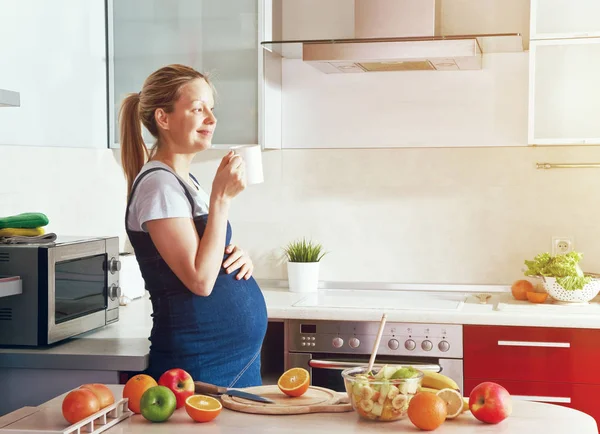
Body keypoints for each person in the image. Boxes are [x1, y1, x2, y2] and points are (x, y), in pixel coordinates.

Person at [119, 64, 267, 388]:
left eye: (211, 110)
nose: (211, 120)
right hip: (199, 369)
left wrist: (235, 259)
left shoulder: (185, 181)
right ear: (164, 118)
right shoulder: (158, 186)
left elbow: (207, 260)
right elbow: (200, 281)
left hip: (228, 366)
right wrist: (221, 200)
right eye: (198, 109)